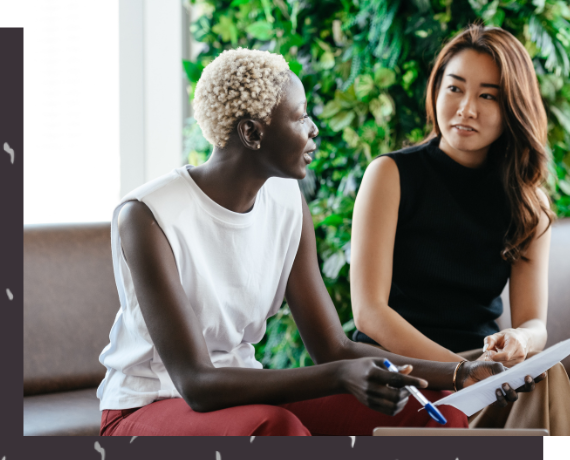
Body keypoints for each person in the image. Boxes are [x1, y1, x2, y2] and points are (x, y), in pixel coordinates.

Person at [97, 48, 532, 437]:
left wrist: (460, 373)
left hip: (239, 396)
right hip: (147, 406)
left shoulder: (286, 200)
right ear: (252, 133)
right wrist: (341, 375)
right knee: (276, 428)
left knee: (434, 414)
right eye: (300, 116)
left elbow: (333, 347)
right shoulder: (147, 216)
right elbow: (197, 383)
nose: (314, 128)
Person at [350, 25, 570, 435]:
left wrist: (520, 341)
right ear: (437, 90)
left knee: (545, 376)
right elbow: (369, 312)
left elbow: (533, 323)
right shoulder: (391, 175)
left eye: (488, 96)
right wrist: (460, 371)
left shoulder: (528, 206)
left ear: (513, 109)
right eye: (455, 88)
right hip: (399, 367)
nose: (467, 108)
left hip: (479, 371)